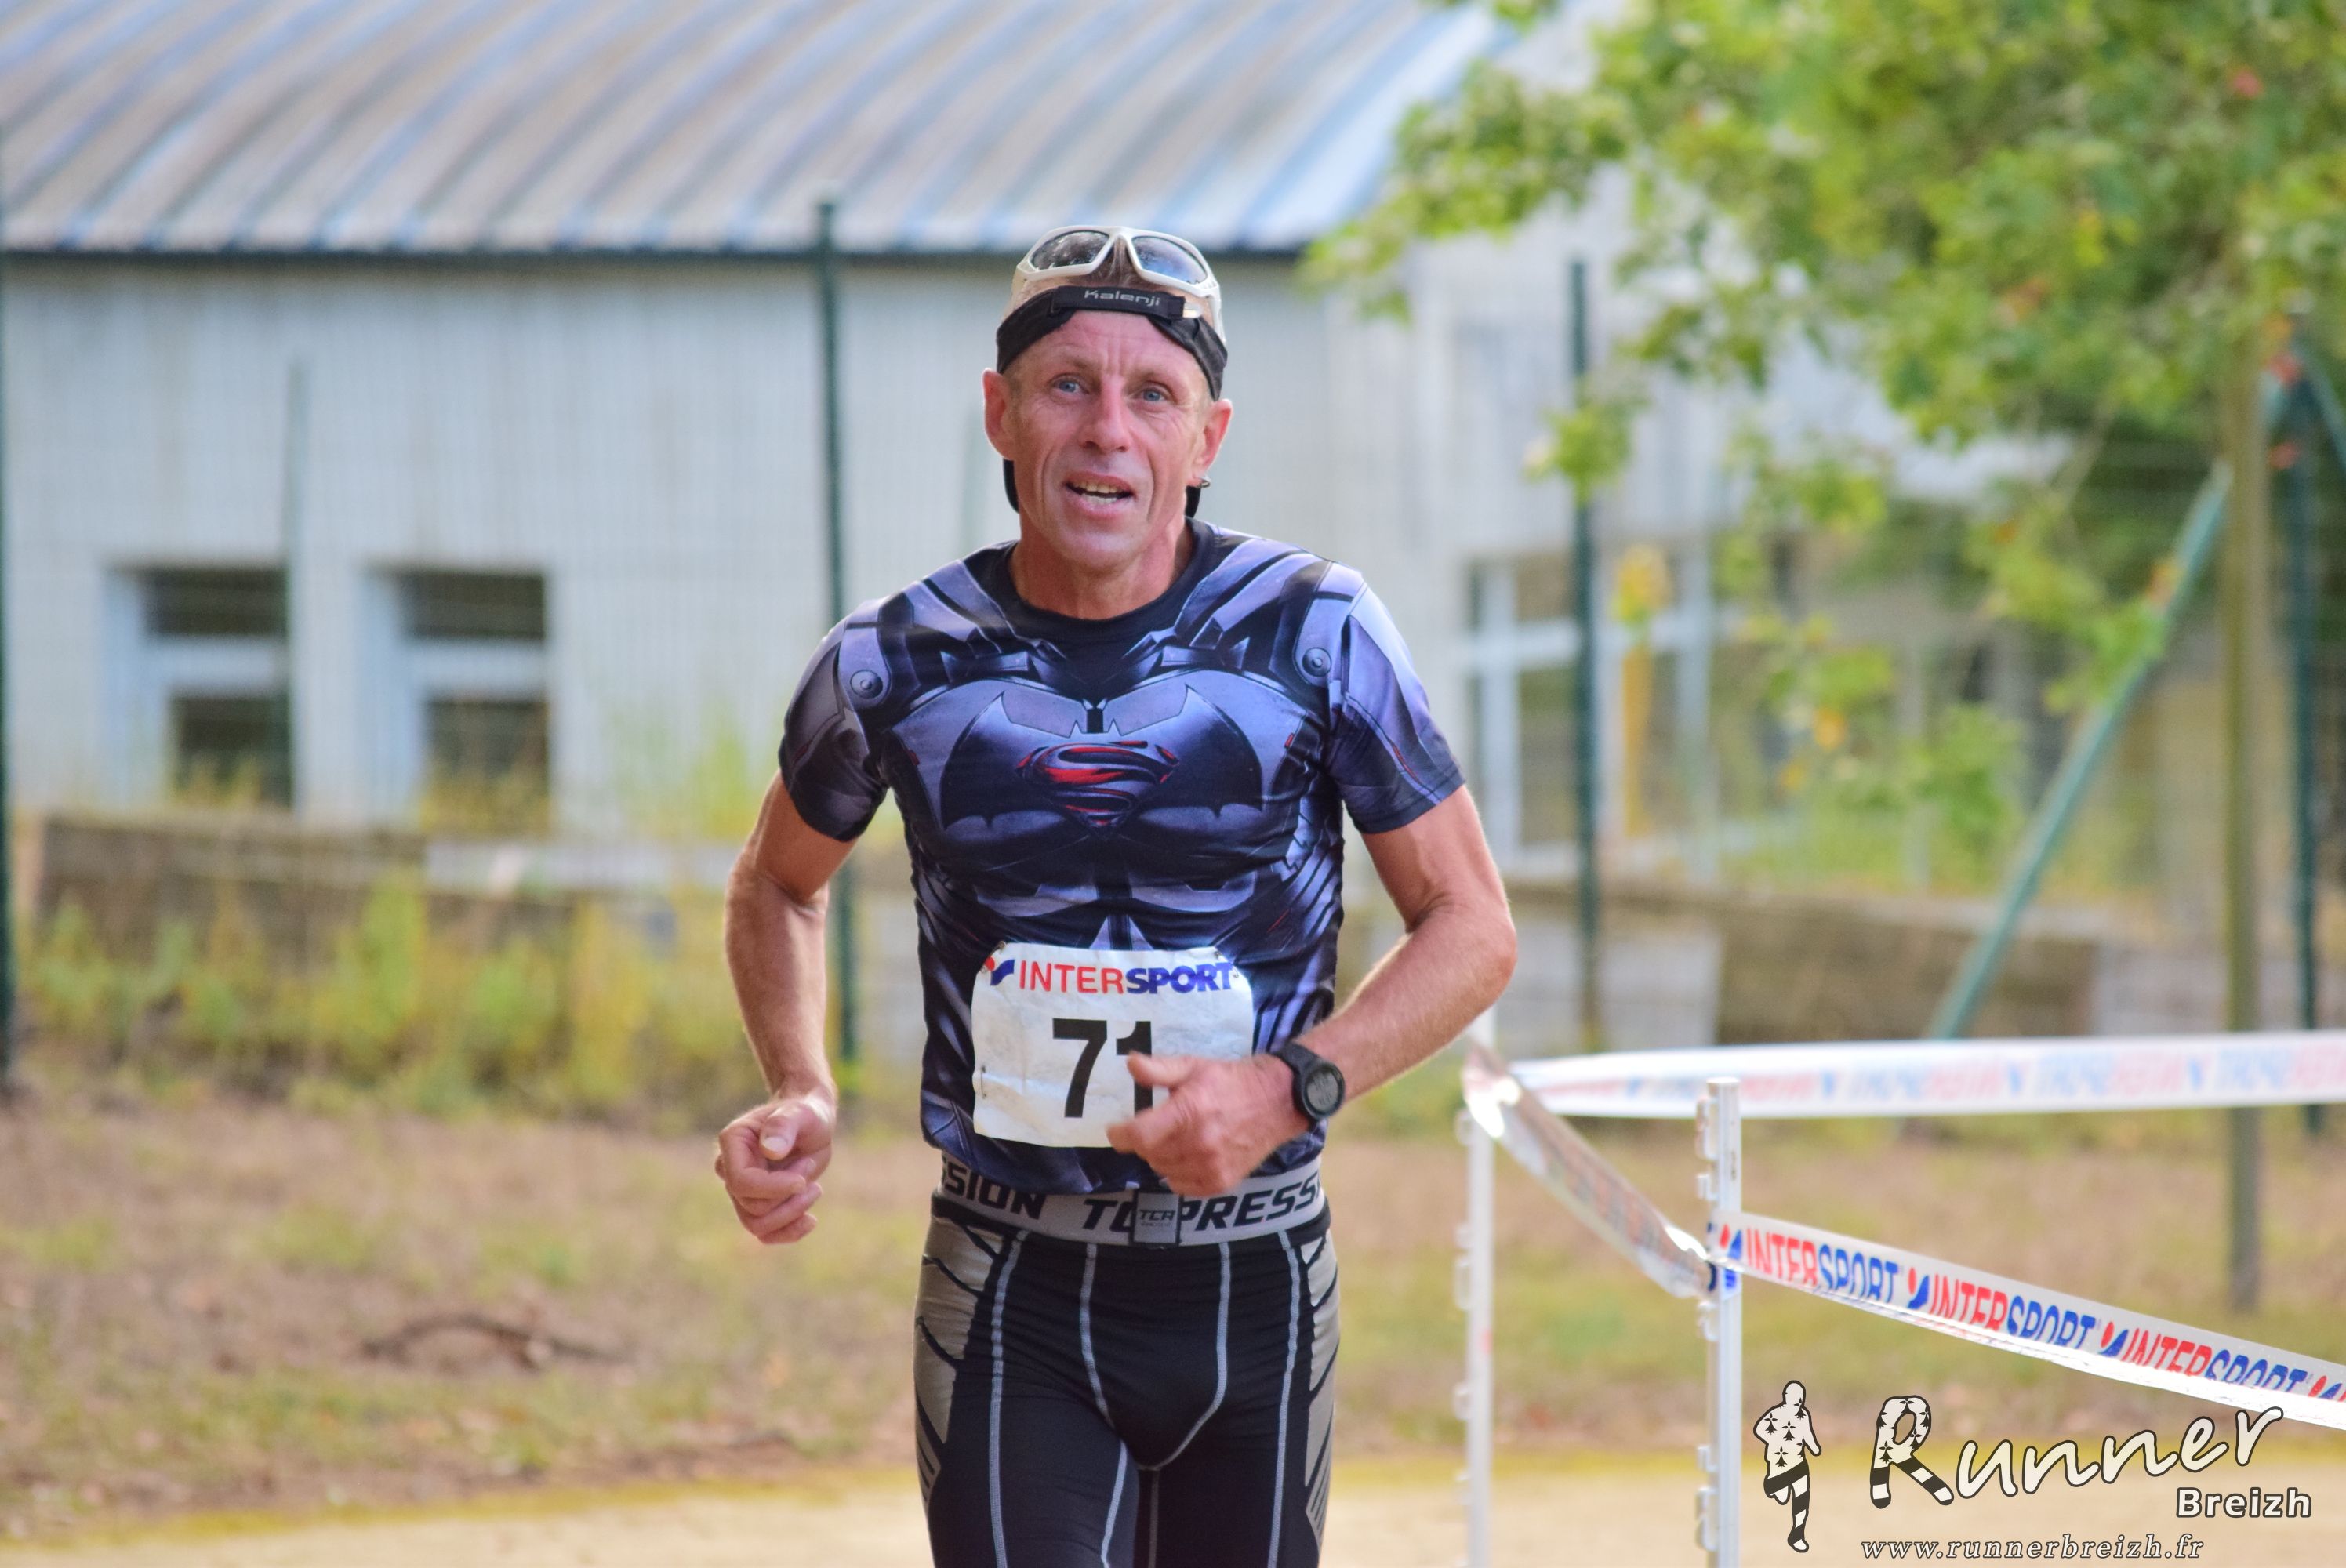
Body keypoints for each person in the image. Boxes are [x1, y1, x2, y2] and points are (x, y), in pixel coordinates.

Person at [715, 223, 1515, 1567]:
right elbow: (776, 885)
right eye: (1068, 386)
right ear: (999, 413)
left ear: (1207, 439)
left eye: (1153, 395)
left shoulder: (1317, 631)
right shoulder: (894, 660)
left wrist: (1288, 1090)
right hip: (1009, 1283)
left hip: (1255, 1282)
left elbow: (1473, 927)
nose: (1108, 431)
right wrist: (801, 1083)